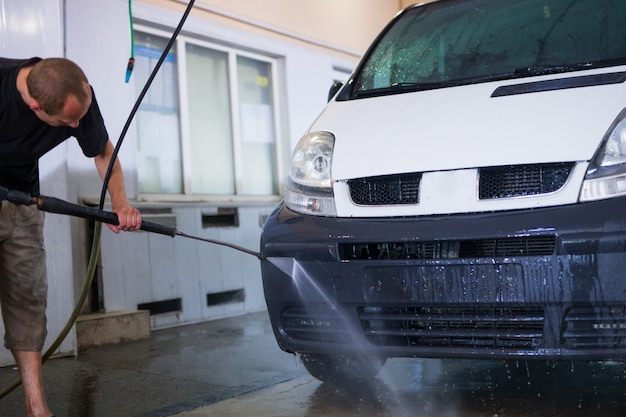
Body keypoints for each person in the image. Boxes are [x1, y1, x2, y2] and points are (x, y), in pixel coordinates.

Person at [0, 57, 142, 417]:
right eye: (68, 122)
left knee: (27, 299)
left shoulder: (78, 95)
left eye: (80, 115)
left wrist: (121, 202)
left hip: (23, 201)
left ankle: (37, 408)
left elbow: (102, 151)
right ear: (35, 107)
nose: (77, 125)